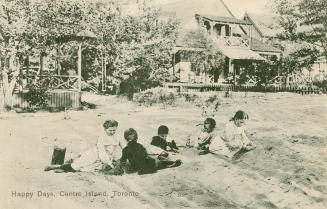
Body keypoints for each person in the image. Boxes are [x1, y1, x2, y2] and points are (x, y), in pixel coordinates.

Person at [44, 119, 124, 174]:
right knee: (77, 165)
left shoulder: (117, 137)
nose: (112, 132)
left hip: (104, 158)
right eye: (110, 130)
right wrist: (109, 162)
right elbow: (102, 152)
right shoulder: (102, 138)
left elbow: (122, 148)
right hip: (95, 154)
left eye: (114, 130)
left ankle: (63, 168)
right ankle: (55, 167)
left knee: (87, 168)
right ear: (105, 129)